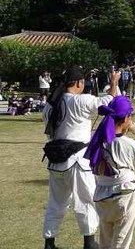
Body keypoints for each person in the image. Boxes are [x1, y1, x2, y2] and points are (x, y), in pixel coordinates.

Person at [42, 66, 118, 249]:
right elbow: (109, 103)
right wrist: (114, 82)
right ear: (78, 83)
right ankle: (89, 242)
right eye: (83, 82)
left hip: (56, 161)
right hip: (77, 161)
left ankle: (49, 242)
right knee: (86, 201)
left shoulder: (50, 104)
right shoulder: (80, 100)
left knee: (56, 202)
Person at [84, 96, 135, 249]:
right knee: (121, 241)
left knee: (105, 239)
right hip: (124, 194)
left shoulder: (99, 140)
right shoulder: (129, 144)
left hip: (101, 194)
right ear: (126, 118)